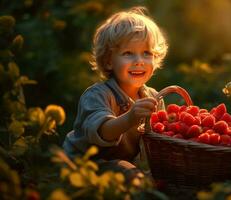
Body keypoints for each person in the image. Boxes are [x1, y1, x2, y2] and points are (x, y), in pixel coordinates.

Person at [63, 6, 168, 179]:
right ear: (109, 61)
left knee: (152, 176)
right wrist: (130, 118)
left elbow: (158, 141)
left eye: (146, 53)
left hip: (120, 162)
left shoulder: (154, 98)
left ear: (155, 58)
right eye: (128, 53)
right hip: (86, 163)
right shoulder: (97, 95)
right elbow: (102, 132)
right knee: (131, 174)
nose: (139, 61)